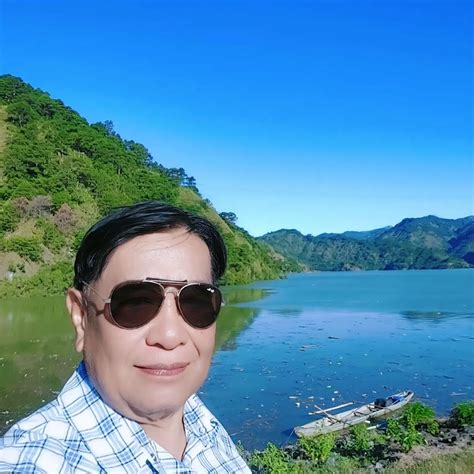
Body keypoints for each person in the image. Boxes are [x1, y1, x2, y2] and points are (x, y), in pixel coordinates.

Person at [0, 201, 251, 473]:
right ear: (81, 316)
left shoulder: (198, 419)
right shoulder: (35, 461)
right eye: (135, 303)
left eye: (196, 302)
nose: (170, 336)